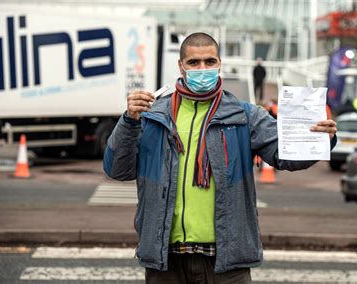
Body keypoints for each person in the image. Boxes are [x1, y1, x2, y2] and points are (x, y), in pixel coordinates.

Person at [103, 32, 337, 284]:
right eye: (194, 63)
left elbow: (285, 156)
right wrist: (129, 121)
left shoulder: (245, 116)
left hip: (226, 263)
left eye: (209, 62)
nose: (202, 69)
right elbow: (117, 169)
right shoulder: (153, 115)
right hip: (166, 262)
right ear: (181, 66)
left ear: (219, 64)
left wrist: (320, 138)